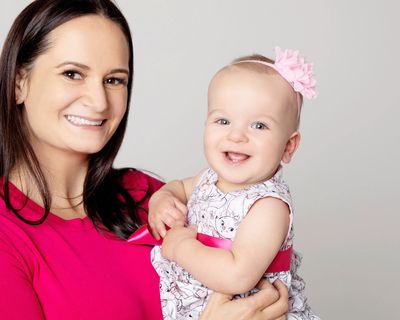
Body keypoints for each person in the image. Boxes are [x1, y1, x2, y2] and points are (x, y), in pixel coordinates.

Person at [0, 0, 291, 319]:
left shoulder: (152, 198)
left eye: (114, 80)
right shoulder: (7, 236)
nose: (99, 102)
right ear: (19, 83)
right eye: (72, 74)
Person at [148, 48, 320, 319]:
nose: (237, 135)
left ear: (288, 146)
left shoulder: (268, 206)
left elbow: (237, 276)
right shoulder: (209, 179)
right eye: (223, 120)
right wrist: (162, 199)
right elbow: (179, 187)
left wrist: (181, 247)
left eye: (259, 126)